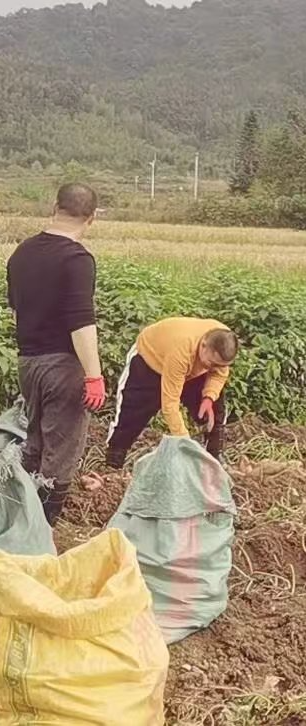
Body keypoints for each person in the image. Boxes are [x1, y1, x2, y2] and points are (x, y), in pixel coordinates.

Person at [5, 183, 106, 525]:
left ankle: (17, 514)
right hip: (62, 367)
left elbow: (17, 311)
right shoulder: (77, 259)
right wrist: (93, 375)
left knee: (34, 443)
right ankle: (41, 531)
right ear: (91, 218)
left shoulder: (22, 253)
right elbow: (81, 321)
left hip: (28, 362)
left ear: (55, 206)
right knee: (60, 454)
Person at [105, 317, 238, 467]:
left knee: (215, 408)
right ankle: (115, 454)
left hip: (192, 366)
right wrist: (184, 442)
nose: (215, 367)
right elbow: (170, 404)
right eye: (212, 363)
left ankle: (214, 454)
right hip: (151, 360)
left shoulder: (224, 340)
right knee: (134, 408)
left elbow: (219, 373)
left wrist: (209, 396)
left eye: (220, 365)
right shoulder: (181, 350)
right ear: (203, 345)